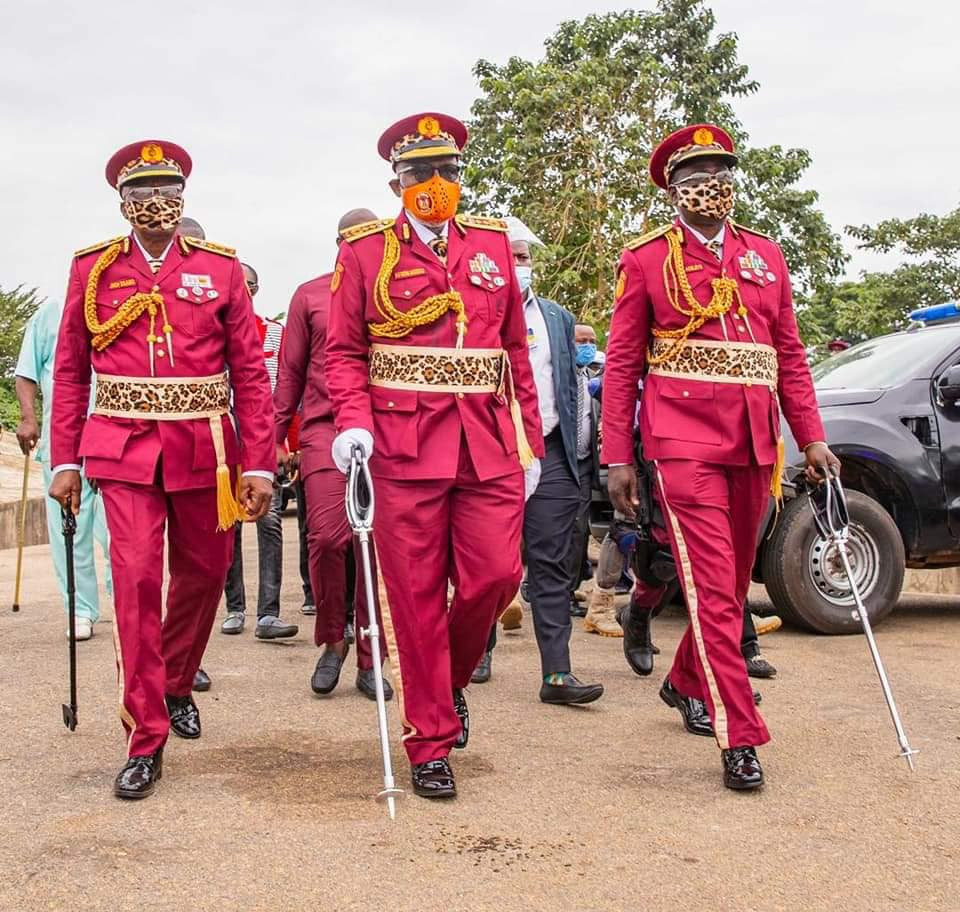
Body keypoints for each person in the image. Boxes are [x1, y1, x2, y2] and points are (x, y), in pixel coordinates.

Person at [602, 124, 839, 791]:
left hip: (755, 443)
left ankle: (683, 681)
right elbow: (621, 364)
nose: (714, 185)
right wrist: (618, 454)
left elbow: (788, 353)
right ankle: (740, 734)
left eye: (722, 173)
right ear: (674, 190)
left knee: (730, 586)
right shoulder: (647, 258)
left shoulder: (765, 254)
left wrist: (812, 434)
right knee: (710, 584)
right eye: (698, 176)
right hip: (682, 442)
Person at [324, 112, 544, 799]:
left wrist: (529, 437)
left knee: (495, 578)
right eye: (421, 172)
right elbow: (345, 352)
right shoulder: (364, 252)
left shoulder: (490, 245)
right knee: (414, 599)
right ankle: (428, 741)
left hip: (485, 442)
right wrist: (352, 424)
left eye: (448, 171)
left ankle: (442, 683)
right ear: (396, 179)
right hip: (401, 444)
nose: (436, 184)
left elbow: (514, 351)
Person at [49, 140, 275, 800]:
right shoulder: (92, 269)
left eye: (167, 188)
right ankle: (146, 732)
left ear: (184, 198)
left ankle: (177, 681)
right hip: (121, 450)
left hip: (207, 448)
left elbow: (251, 376)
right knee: (140, 577)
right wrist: (65, 457)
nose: (155, 201)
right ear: (122, 202)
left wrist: (259, 462)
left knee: (205, 575)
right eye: (142, 191)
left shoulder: (221, 269)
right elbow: (71, 369)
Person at [475, 218, 605, 701]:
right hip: (494, 452)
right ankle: (477, 648)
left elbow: (568, 392)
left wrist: (576, 457)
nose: (518, 266)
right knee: (491, 563)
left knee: (552, 565)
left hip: (550, 453)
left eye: (524, 257)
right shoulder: (475, 314)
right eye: (509, 257)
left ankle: (556, 674)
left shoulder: (557, 318)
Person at [274, 208, 392, 701]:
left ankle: (371, 654)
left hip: (388, 430)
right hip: (325, 429)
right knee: (327, 536)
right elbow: (290, 372)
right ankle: (332, 640)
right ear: (338, 243)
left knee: (378, 547)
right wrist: (274, 441)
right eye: (350, 239)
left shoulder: (394, 292)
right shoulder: (311, 293)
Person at [15, 297, 113, 641]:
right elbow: (26, 372)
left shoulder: (121, 305)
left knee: (121, 527)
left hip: (116, 436)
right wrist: (28, 417)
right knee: (69, 530)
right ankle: (80, 610)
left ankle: (127, 602)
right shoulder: (50, 314)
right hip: (63, 438)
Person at [220, 263, 299, 641]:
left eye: (250, 285)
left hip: (264, 442)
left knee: (269, 524)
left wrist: (283, 441)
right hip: (221, 444)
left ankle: (269, 614)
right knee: (227, 527)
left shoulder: (275, 333)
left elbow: (286, 389)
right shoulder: (212, 329)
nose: (246, 291)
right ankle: (235, 608)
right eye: (240, 285)